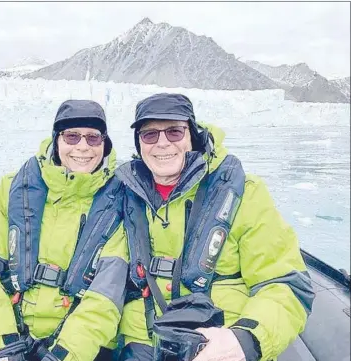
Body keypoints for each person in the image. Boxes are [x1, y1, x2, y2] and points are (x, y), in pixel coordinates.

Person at [115, 93, 315, 361]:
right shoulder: (124, 196)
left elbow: (284, 284)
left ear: (193, 136)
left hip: (219, 347)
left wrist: (245, 339)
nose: (162, 143)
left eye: (174, 132)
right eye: (150, 135)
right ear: (139, 144)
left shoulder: (246, 194)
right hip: (140, 346)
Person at [0, 100, 128, 361]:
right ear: (57, 140)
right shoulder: (15, 189)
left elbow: (106, 296)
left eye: (93, 138)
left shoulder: (121, 201)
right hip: (13, 335)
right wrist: (2, 346)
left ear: (104, 144)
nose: (82, 147)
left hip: (81, 348)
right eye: (71, 136)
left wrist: (64, 355)